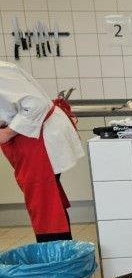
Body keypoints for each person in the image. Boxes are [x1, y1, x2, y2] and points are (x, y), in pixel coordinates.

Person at [0, 60, 83, 241]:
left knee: (46, 206)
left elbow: (36, 104)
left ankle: (56, 261)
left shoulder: (1, 73)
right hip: (30, 139)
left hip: (40, 139)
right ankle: (61, 255)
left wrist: (7, 132)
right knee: (49, 205)